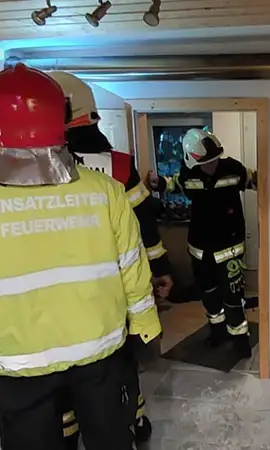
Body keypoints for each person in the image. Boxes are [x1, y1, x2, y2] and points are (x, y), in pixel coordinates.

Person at [0, 63, 161, 450]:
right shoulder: (103, 190)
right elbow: (132, 267)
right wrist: (145, 326)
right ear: (63, 113)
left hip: (20, 364)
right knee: (110, 440)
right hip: (100, 350)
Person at [47, 70, 171, 445]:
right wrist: (160, 269)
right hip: (112, 289)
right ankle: (133, 419)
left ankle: (67, 431)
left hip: (52, 293)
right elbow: (144, 224)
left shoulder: (22, 171)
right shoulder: (117, 165)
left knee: (61, 370)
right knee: (118, 364)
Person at [147, 129, 258, 358]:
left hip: (229, 250)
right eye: (207, 161)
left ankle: (240, 342)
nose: (212, 164)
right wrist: (158, 184)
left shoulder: (233, 169)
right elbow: (174, 184)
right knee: (209, 295)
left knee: (233, 299)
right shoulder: (188, 175)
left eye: (215, 159)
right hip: (200, 251)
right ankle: (217, 333)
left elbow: (256, 179)